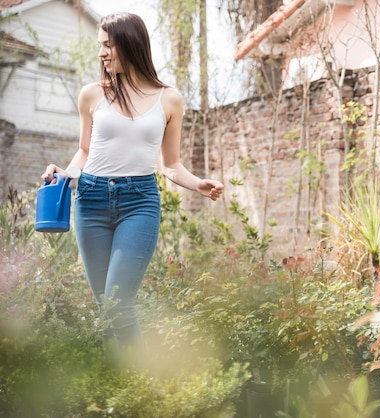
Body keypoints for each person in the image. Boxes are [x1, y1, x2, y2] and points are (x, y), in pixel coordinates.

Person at [41, 12, 223, 365]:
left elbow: (169, 164)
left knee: (119, 303)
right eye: (100, 46)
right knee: (106, 308)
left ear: (130, 43)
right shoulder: (91, 94)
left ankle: (142, 390)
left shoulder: (169, 99)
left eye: (108, 45)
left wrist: (197, 183)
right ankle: (118, 390)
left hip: (139, 204)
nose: (102, 54)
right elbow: (85, 150)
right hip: (90, 199)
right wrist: (65, 174)